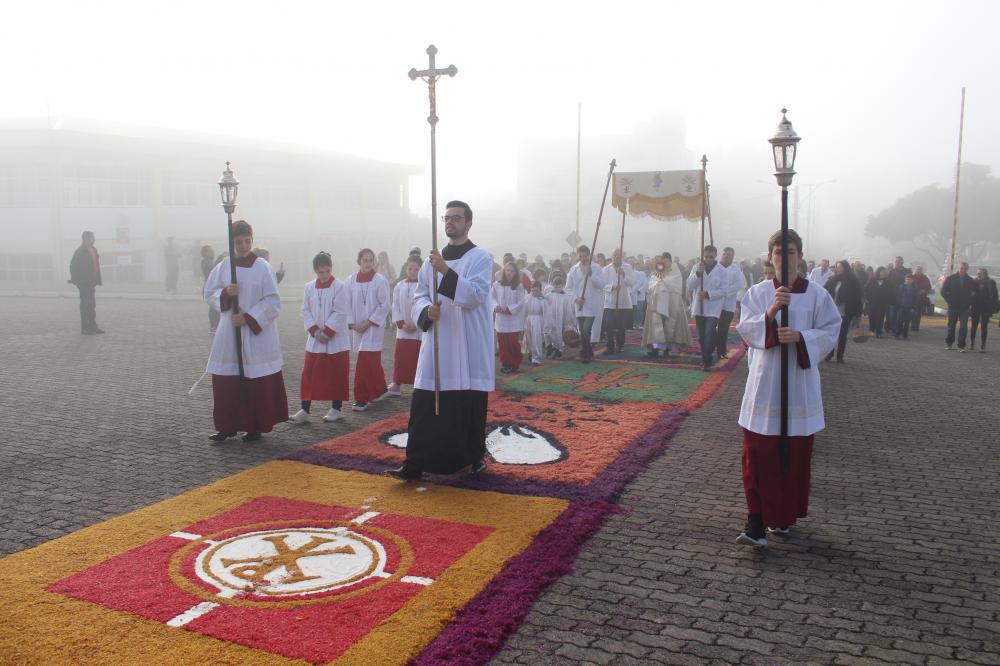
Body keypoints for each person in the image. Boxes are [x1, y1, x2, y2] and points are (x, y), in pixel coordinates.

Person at [735, 229, 840, 547]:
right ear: (770, 257)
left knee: (792, 456)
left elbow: (831, 331)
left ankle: (781, 516)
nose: (784, 258)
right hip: (766, 383)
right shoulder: (758, 293)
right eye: (778, 252)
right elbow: (746, 330)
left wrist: (801, 337)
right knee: (757, 453)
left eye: (790, 251)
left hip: (798, 384)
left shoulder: (817, 295)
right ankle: (756, 520)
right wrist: (770, 312)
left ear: (800, 256)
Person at [388, 200, 494, 481]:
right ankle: (414, 462)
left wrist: (446, 270)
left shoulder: (481, 258)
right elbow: (420, 295)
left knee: (469, 405)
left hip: (467, 343)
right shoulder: (429, 263)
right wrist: (426, 311)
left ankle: (474, 457)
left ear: (468, 223)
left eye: (456, 218)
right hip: (438, 342)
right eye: (447, 218)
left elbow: (474, 296)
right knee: (424, 404)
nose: (450, 222)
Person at [202, 220, 288, 442]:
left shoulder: (263, 268)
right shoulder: (224, 266)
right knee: (226, 380)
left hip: (255, 334)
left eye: (247, 241)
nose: (243, 246)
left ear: (252, 240)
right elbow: (209, 292)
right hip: (230, 331)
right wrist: (225, 294)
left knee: (255, 381)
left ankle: (254, 426)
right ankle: (227, 426)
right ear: (232, 242)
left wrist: (249, 318)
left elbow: (273, 302)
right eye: (238, 242)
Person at [290, 251, 350, 424]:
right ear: (315, 271)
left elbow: (340, 311)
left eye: (327, 271)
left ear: (331, 268)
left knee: (336, 373)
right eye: (320, 272)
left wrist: (328, 332)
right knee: (309, 373)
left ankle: (336, 409)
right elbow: (305, 310)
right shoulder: (309, 287)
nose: (324, 275)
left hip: (335, 340)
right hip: (315, 339)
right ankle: (305, 410)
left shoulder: (339, 287)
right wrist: (316, 331)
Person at [346, 248, 392, 410]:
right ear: (359, 261)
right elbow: (346, 303)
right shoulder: (350, 280)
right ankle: (380, 390)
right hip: (357, 327)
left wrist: (367, 323)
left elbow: (384, 304)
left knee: (364, 362)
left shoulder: (380, 280)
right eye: (365, 260)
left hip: (373, 327)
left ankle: (361, 398)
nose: (368, 263)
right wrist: (353, 325)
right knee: (371, 362)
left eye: (371, 260)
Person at [642, 254, 691, 358]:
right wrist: (659, 280)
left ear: (670, 260)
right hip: (658, 300)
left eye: (667, 260)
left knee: (669, 323)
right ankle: (655, 348)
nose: (664, 261)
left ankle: (667, 348)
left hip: (671, 300)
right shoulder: (657, 269)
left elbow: (676, 284)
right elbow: (651, 283)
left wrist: (663, 281)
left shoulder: (675, 270)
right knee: (656, 323)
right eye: (663, 259)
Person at [687, 245, 727, 371]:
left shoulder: (722, 271)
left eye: (711, 257)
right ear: (703, 256)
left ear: (715, 256)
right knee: (701, 336)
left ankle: (707, 360)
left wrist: (708, 294)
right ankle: (706, 358)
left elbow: (724, 291)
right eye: (706, 257)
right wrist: (698, 273)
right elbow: (689, 285)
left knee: (709, 332)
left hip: (713, 307)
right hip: (699, 307)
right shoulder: (697, 267)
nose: (708, 259)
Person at [566, 245, 606, 364]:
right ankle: (588, 351)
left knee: (586, 330)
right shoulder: (573, 269)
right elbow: (568, 288)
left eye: (585, 256)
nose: (582, 258)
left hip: (591, 304)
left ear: (589, 255)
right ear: (578, 256)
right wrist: (576, 299)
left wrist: (592, 275)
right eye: (580, 256)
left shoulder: (596, 268)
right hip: (579, 305)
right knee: (582, 331)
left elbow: (601, 285)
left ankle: (586, 353)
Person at [389, 256, 423, 394]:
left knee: (417, 357)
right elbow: (395, 305)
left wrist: (416, 324)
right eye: (410, 269)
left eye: (416, 269)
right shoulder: (399, 285)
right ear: (406, 268)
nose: (413, 272)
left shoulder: (424, 286)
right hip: (403, 330)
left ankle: (418, 384)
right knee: (401, 357)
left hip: (419, 330)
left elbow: (425, 306)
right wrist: (401, 323)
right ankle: (397, 383)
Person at [823, 260, 863, 363]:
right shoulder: (832, 279)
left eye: (840, 267)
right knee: (831, 333)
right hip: (832, 310)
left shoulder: (853, 281)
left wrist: (858, 314)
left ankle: (840, 355)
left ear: (845, 268)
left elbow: (858, 298)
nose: (837, 269)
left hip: (846, 311)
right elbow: (824, 291)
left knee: (842, 334)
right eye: (837, 267)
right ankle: (829, 353)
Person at [492, 261, 526, 373]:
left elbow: (521, 302)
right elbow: (491, 298)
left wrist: (509, 309)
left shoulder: (519, 286)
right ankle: (505, 364)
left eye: (512, 271)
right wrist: (496, 307)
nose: (509, 273)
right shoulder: (497, 285)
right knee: (502, 344)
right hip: (501, 320)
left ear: (515, 273)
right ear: (504, 271)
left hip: (513, 320)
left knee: (513, 343)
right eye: (507, 270)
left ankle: (514, 364)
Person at [69, 231, 104, 335]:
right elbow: (73, 266)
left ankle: (93, 326)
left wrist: (96, 280)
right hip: (84, 283)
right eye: (92, 237)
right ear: (86, 239)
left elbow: (95, 266)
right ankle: (85, 328)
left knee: (92, 305)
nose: (94, 239)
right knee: (85, 305)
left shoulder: (93, 250)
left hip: (92, 282)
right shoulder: (80, 251)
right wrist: (76, 281)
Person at [602, 249, 634, 355]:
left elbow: (631, 283)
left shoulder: (627, 267)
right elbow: (601, 285)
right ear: (612, 256)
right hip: (610, 302)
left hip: (623, 301)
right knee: (609, 324)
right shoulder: (606, 269)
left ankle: (620, 345)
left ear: (621, 257)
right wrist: (612, 287)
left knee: (621, 326)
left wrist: (624, 275)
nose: (616, 257)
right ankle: (610, 345)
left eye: (618, 255)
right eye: (614, 255)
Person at [716, 246, 745, 361]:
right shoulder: (716, 267)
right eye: (724, 254)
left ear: (732, 257)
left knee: (723, 329)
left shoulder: (736, 269)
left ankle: (721, 351)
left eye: (728, 254)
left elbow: (739, 284)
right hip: (714, 304)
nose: (725, 256)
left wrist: (724, 292)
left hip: (728, 305)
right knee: (710, 329)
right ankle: (710, 349)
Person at [941, 261, 978, 352]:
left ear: (967, 269)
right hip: (953, 306)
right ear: (958, 268)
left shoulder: (970, 280)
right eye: (961, 268)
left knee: (963, 326)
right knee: (951, 325)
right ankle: (949, 343)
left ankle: (961, 345)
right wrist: (949, 301)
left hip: (965, 308)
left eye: (965, 269)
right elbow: (943, 291)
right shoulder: (950, 278)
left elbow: (975, 293)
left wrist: (970, 302)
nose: (963, 270)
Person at [543, 273, 577, 359]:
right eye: (555, 286)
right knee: (547, 332)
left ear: (562, 286)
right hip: (550, 319)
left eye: (559, 286)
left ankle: (558, 350)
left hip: (560, 319)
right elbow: (543, 304)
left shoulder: (565, 297)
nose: (557, 288)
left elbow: (568, 310)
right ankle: (549, 347)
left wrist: (568, 322)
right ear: (553, 286)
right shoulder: (549, 295)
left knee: (558, 334)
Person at [970, 268, 999, 352]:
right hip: (975, 307)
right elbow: (970, 293)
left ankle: (983, 346)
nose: (978, 274)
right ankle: (972, 343)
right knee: (974, 326)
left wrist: (993, 306)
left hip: (986, 307)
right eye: (977, 273)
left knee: (984, 326)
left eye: (980, 273)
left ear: (985, 274)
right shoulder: (974, 282)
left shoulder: (990, 282)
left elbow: (995, 295)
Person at [865, 267, 894, 339]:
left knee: (880, 318)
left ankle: (879, 332)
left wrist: (890, 301)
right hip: (872, 302)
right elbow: (866, 290)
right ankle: (871, 330)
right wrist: (868, 299)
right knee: (872, 317)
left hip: (883, 303)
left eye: (885, 272)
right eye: (882, 272)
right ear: (879, 272)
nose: (884, 273)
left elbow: (891, 292)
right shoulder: (872, 280)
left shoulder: (888, 281)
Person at [524, 281, 547, 366]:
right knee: (529, 338)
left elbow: (546, 312)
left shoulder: (542, 300)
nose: (534, 292)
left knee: (536, 339)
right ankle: (531, 354)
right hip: (528, 319)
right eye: (533, 290)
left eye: (536, 291)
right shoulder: (527, 298)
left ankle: (537, 359)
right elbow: (524, 310)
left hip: (538, 319)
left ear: (540, 290)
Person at [886, 256, 911, 334]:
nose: (897, 263)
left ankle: (900, 329)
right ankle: (894, 330)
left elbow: (910, 283)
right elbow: (888, 284)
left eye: (898, 262)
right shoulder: (891, 272)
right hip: (893, 297)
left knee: (901, 316)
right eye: (896, 262)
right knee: (892, 315)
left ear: (902, 262)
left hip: (903, 297)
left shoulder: (907, 272)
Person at [200, 245, 220, 333]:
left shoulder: (207, 261)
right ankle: (213, 327)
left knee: (215, 307)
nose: (212, 252)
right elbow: (213, 270)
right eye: (210, 250)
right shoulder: (206, 261)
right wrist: (219, 259)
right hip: (211, 287)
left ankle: (215, 326)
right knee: (214, 308)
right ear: (205, 253)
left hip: (211, 286)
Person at [894, 274, 920, 339]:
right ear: (905, 279)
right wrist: (898, 305)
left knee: (907, 322)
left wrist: (913, 307)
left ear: (912, 280)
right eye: (907, 279)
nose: (908, 280)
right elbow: (898, 296)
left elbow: (916, 298)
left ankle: (905, 335)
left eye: (910, 279)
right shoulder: (901, 286)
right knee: (899, 321)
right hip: (901, 306)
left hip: (909, 307)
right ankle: (897, 333)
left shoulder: (915, 288)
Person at [911, 265, 933, 331]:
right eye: (917, 269)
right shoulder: (912, 277)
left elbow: (929, 287)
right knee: (912, 312)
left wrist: (924, 291)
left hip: (921, 298)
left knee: (918, 313)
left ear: (922, 271)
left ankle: (916, 326)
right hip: (912, 298)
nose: (918, 270)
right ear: (915, 270)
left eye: (920, 269)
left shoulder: (925, 278)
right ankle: (912, 325)